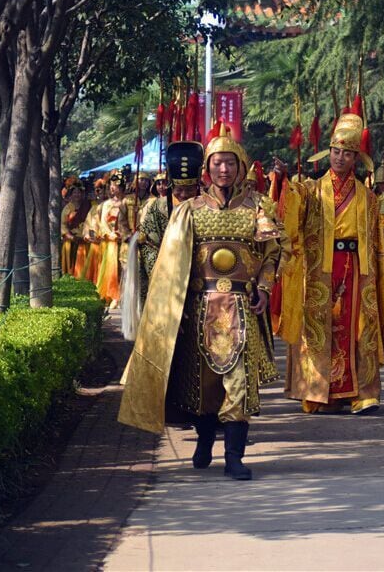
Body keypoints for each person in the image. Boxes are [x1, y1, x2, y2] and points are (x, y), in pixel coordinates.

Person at [119, 127, 283, 480]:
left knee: (237, 383)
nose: (224, 170)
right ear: (207, 168)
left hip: (240, 306)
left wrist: (265, 287)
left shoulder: (259, 207)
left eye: (230, 163)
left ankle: (234, 456)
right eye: (217, 163)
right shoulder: (188, 211)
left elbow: (272, 254)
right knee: (203, 385)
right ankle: (205, 440)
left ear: (240, 166)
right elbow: (169, 263)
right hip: (200, 307)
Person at [278, 113, 384, 414]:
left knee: (358, 328)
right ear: (327, 152)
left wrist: (378, 275)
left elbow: (376, 242)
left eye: (347, 153)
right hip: (321, 268)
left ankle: (363, 393)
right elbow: (291, 215)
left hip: (357, 270)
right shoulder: (311, 190)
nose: (340, 158)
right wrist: (283, 183)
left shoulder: (367, 197)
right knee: (320, 327)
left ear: (356, 157)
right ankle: (320, 391)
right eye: (335, 151)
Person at [136, 155, 201, 304]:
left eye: (189, 189)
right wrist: (161, 273)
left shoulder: (207, 208)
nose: (184, 195)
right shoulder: (157, 208)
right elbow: (147, 245)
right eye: (179, 189)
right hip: (165, 276)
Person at [95, 170, 130, 305]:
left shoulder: (128, 201)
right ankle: (113, 295)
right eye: (111, 185)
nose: (112, 187)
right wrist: (111, 235)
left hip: (126, 239)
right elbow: (103, 223)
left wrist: (126, 233)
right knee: (113, 269)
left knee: (125, 267)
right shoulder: (107, 204)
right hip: (112, 241)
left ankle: (124, 294)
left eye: (115, 185)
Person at [79, 176, 106, 283]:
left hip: (106, 241)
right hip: (95, 242)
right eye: (97, 191)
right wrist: (87, 235)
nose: (99, 193)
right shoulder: (93, 208)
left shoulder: (111, 206)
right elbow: (87, 224)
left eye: (101, 190)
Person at [60, 177, 89, 276]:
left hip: (85, 240)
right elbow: (63, 225)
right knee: (71, 265)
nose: (77, 195)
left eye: (79, 192)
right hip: (71, 240)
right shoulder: (67, 208)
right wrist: (71, 237)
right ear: (71, 194)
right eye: (74, 193)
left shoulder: (87, 206)